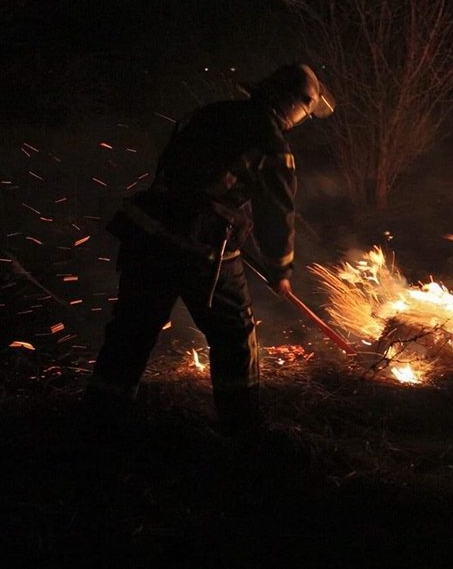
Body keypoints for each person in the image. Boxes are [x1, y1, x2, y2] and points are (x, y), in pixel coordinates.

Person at [83, 62, 335, 433]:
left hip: (149, 231)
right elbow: (276, 214)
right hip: (199, 245)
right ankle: (243, 424)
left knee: (133, 328)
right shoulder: (272, 143)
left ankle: (100, 417)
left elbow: (180, 170)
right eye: (305, 111)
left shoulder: (210, 113)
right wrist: (280, 270)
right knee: (234, 332)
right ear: (294, 103)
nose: (301, 120)